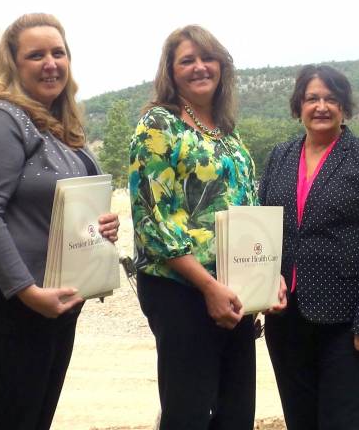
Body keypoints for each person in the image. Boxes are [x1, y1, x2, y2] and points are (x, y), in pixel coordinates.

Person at [0, 13, 120, 430]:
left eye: (58, 53)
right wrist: (25, 291)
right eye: (36, 54)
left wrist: (100, 227)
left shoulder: (60, 129)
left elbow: (56, 208)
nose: (50, 63)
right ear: (13, 65)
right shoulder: (0, 122)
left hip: (52, 300)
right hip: (3, 301)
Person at [129, 25, 286, 429]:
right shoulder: (159, 125)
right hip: (181, 289)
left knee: (236, 413)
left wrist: (267, 277)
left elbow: (246, 210)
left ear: (222, 66)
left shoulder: (227, 133)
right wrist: (208, 286)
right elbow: (152, 218)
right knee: (189, 412)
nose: (200, 67)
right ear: (171, 71)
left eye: (208, 58)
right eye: (187, 60)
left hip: (235, 289)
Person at [258, 64, 359, 430]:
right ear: (298, 106)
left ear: (343, 107)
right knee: (300, 419)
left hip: (348, 323)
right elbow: (262, 227)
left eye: (330, 99)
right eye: (312, 98)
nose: (321, 106)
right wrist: (262, 284)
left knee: (345, 422)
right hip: (287, 317)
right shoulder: (280, 156)